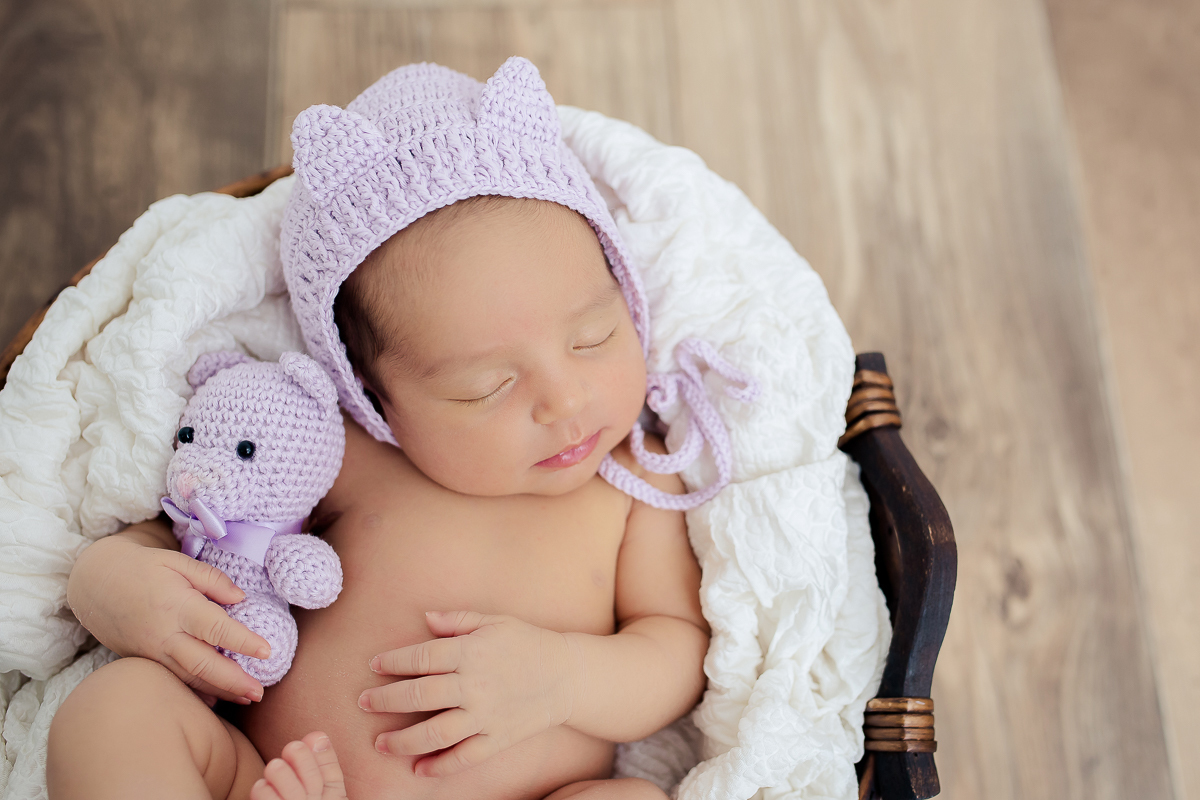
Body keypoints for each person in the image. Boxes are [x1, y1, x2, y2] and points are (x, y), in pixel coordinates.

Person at [46, 57, 755, 799]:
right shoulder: (338, 454)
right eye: (486, 387)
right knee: (117, 709)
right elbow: (200, 528)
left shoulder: (635, 483)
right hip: (271, 780)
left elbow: (676, 649)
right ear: (374, 396)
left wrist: (563, 678)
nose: (564, 400)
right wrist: (111, 583)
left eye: (594, 337)